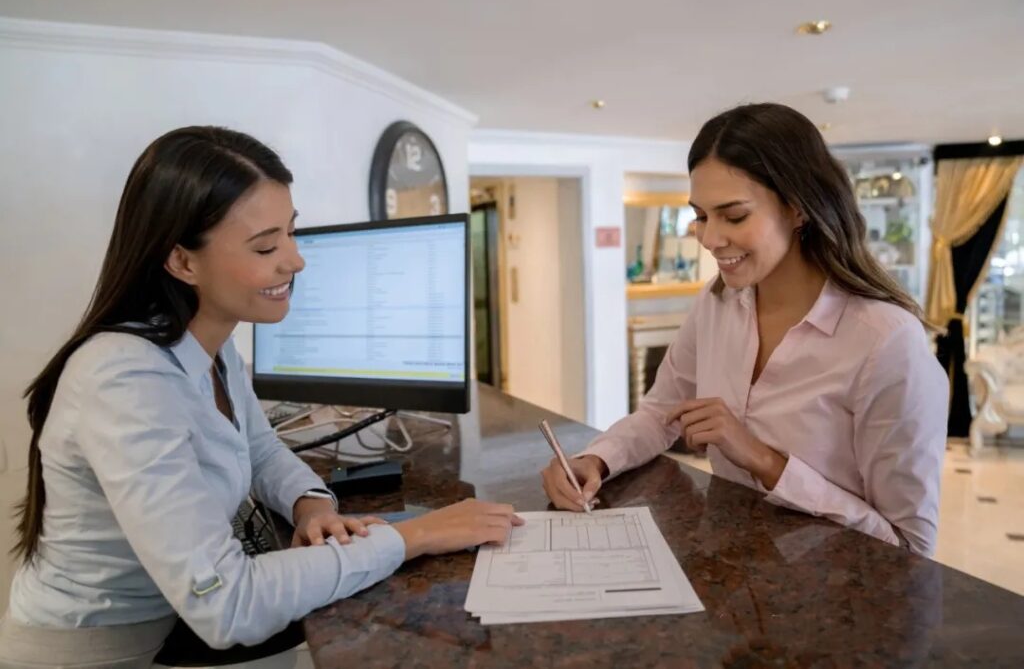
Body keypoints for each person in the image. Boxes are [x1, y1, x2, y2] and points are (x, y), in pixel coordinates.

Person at [0, 126, 521, 668]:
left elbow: (260, 448)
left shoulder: (214, 349)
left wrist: (309, 501)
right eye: (266, 246)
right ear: (182, 262)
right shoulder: (125, 380)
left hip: (168, 624)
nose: (295, 261)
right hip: (99, 653)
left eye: (291, 235)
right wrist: (413, 538)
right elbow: (228, 603)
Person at [542, 103, 947, 557]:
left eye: (733, 216)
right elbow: (661, 414)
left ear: (797, 209)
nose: (710, 238)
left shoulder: (886, 342)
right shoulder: (716, 305)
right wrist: (596, 459)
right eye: (700, 215)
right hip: (735, 575)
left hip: (830, 599)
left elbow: (910, 548)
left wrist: (763, 460)